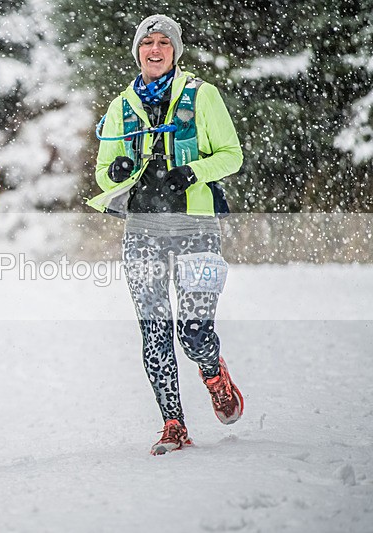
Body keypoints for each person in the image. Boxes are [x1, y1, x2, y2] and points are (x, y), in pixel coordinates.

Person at [87, 15, 244, 455]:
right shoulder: (121, 106)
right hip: (142, 230)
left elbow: (232, 155)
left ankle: (214, 373)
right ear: (137, 51)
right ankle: (173, 423)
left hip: (195, 226)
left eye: (163, 43)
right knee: (154, 329)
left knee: (193, 331)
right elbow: (103, 173)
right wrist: (116, 171)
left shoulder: (202, 95)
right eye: (147, 44)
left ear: (176, 51)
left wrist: (191, 171)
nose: (154, 51)